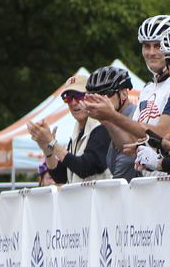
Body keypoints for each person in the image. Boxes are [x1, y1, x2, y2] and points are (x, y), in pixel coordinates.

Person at [85, 17, 170, 175]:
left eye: (157, 46)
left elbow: (161, 134)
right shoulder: (147, 89)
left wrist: (113, 116)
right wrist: (106, 119)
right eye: (146, 46)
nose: (151, 52)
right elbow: (129, 143)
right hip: (146, 182)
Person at [28, 74, 111, 184]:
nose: (73, 102)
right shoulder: (77, 132)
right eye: (68, 97)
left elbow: (84, 168)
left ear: (92, 97)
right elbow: (61, 176)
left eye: (78, 95)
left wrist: (52, 142)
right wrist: (47, 150)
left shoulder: (102, 126)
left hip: (101, 200)